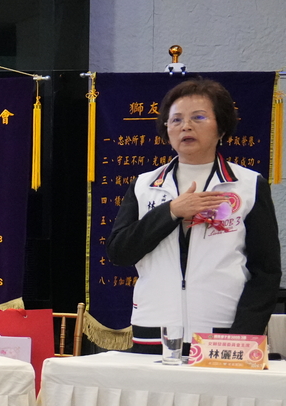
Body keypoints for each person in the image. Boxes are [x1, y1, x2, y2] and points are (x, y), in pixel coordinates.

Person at [107, 77, 279, 349]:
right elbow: (119, 252)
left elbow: (266, 271)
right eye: (176, 120)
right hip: (154, 328)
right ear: (166, 130)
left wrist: (243, 334)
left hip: (223, 328)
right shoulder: (144, 185)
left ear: (221, 128)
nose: (185, 126)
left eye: (198, 117)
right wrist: (171, 212)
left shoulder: (248, 185)